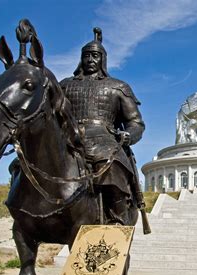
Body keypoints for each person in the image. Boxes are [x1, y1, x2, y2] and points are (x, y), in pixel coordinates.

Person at [60, 27, 145, 227]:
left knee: (111, 163)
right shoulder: (64, 85)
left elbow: (136, 122)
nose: (90, 60)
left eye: (95, 56)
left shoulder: (118, 87)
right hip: (68, 137)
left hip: (104, 138)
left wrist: (128, 135)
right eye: (86, 56)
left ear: (103, 60)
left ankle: (117, 216)